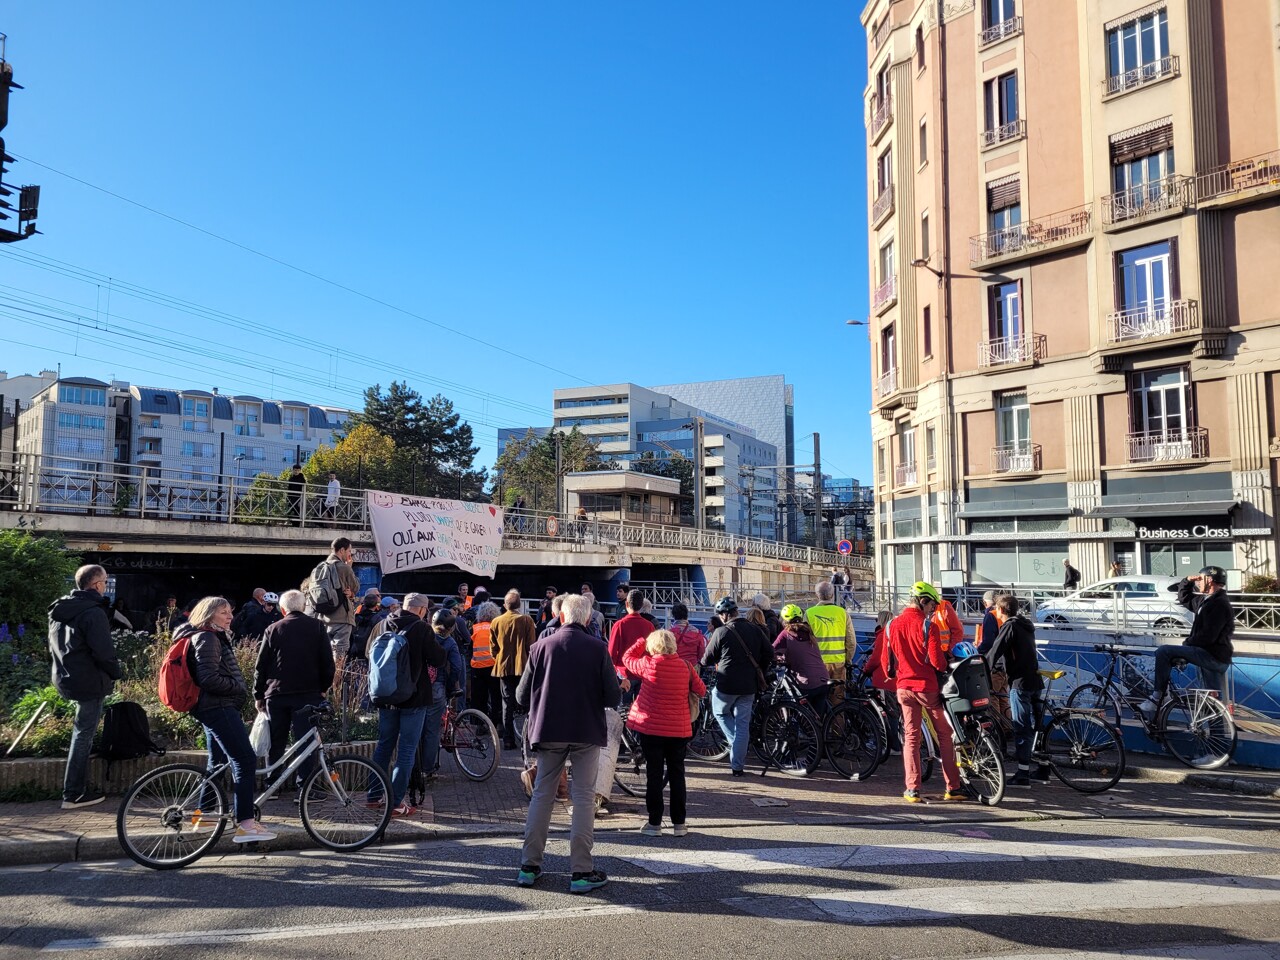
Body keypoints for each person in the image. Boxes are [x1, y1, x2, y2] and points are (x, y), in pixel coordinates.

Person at [515, 594, 621, 893]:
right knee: (584, 797)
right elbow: (613, 697)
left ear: (561, 616)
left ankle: (529, 866)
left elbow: (521, 697)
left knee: (542, 795)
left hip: (549, 730)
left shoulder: (540, 647)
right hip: (585, 730)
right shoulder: (598, 649)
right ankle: (580, 871)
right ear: (588, 619)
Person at [177, 596, 277, 841]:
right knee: (245, 759)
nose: (230, 616)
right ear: (209, 615)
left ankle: (206, 816)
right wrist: (236, 686)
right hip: (217, 706)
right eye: (224, 612)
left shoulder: (207, 636)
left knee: (218, 762)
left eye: (230, 611)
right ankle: (245, 823)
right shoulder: (208, 638)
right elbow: (208, 678)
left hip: (212, 706)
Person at [48, 564, 121, 810]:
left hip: (66, 677)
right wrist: (116, 672)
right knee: (83, 736)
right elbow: (104, 652)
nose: (106, 585)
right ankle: (74, 793)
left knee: (81, 733)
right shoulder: (93, 612)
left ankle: (74, 790)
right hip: (90, 680)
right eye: (105, 581)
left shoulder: (60, 609)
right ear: (96, 585)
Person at [887, 582, 966, 804]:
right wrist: (945, 660)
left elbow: (887, 663)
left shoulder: (892, 625)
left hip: (904, 687)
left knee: (911, 737)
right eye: (931, 604)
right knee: (945, 735)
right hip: (926, 688)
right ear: (923, 601)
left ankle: (912, 789)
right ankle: (954, 787)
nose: (933, 609)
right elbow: (937, 663)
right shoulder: (927, 626)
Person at [368, 593, 446, 817]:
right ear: (422, 610)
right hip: (414, 697)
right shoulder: (421, 629)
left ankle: (374, 796)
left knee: (383, 746)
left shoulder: (383, 624)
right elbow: (437, 659)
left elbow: (368, 653)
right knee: (406, 750)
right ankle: (394, 803)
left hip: (385, 696)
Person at [623, 629, 705, 837]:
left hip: (652, 729)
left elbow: (627, 658)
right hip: (679, 729)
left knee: (654, 775)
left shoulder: (648, 665)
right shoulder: (686, 666)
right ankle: (680, 824)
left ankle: (654, 823)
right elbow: (701, 690)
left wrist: (641, 640)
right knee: (678, 775)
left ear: (653, 646)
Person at [253, 589, 335, 792]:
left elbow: (261, 665)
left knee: (276, 741)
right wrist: (323, 688)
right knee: (306, 743)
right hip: (308, 693)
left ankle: (272, 785)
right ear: (304, 606)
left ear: (282, 609)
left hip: (276, 693)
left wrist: (258, 694)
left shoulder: (272, 629)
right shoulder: (317, 627)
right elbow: (327, 663)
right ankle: (305, 788)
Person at [1143, 566, 1235, 712]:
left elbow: (1207, 636)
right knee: (1211, 700)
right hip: (1210, 654)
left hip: (1212, 656)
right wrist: (1187, 581)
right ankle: (1219, 733)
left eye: (1200, 579)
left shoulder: (1219, 604)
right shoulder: (1206, 600)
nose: (1198, 583)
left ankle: (1159, 697)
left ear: (1209, 580)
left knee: (1164, 651)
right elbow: (1184, 597)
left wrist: (1187, 644)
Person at [701, 596, 774, 776]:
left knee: (719, 711)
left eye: (720, 614)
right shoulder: (756, 630)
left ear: (725, 615)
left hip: (727, 684)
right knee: (742, 725)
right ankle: (737, 766)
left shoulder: (721, 632)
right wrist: (760, 670)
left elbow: (707, 659)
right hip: (749, 685)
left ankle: (735, 745)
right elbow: (769, 653)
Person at [984, 594, 1045, 787]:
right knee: (1038, 727)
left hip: (1020, 683)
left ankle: (1023, 774)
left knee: (1021, 728)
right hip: (1035, 680)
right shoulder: (1025, 625)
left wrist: (982, 669)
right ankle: (1043, 769)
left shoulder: (1009, 626)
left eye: (996, 610)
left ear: (1001, 610)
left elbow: (995, 651)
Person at [419, 610, 467, 784]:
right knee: (432, 730)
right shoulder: (450, 643)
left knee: (418, 727)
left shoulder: (425, 637)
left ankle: (416, 766)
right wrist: (451, 686)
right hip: (438, 687)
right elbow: (456, 667)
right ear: (451, 627)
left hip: (420, 687)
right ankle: (428, 769)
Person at [490, 589, 536, 750]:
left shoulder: (496, 621)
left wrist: (500, 657)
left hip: (503, 667)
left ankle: (508, 739)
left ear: (505, 605)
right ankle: (531, 739)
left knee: (507, 704)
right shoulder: (526, 620)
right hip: (523, 668)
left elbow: (493, 648)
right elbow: (531, 646)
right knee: (529, 703)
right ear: (519, 604)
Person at [773, 603, 830, 716]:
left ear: (784, 621)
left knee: (799, 711)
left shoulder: (786, 634)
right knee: (818, 718)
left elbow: (771, 651)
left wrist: (776, 658)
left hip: (807, 682)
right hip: (823, 678)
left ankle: (801, 731)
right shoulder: (809, 632)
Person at [315, 537, 361, 657]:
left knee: (325, 653)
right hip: (342, 617)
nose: (350, 554)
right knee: (339, 654)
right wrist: (350, 567)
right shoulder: (344, 567)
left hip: (324, 617)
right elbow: (355, 587)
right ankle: (337, 676)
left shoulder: (320, 567)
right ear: (341, 550)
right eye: (349, 551)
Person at [806, 581, 855, 691]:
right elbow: (851, 641)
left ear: (817, 595)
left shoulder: (809, 613)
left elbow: (804, 641)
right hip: (838, 663)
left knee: (819, 697)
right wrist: (848, 660)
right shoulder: (842, 613)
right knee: (837, 699)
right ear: (833, 594)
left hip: (817, 663)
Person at [469, 600, 502, 729]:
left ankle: (480, 725)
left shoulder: (475, 628)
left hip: (477, 667)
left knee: (479, 698)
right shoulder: (497, 626)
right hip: (493, 666)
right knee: (496, 697)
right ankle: (495, 725)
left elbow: (471, 647)